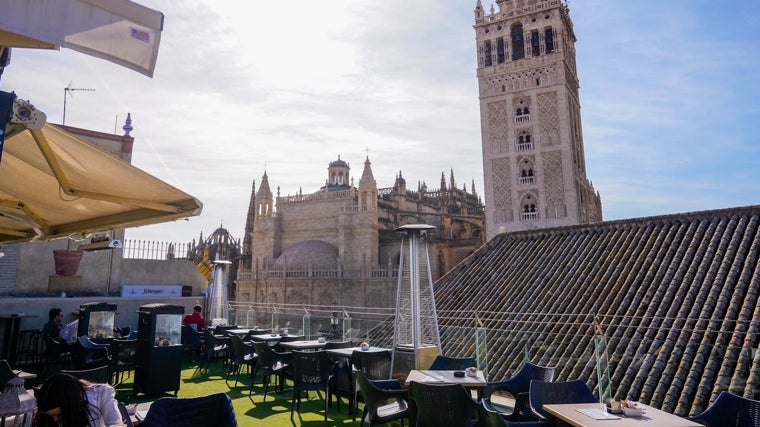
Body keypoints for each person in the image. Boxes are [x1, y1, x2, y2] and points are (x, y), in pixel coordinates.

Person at [34, 373, 123, 427]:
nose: (55, 420)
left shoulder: (102, 393)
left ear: (72, 405)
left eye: (59, 414)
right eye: (50, 416)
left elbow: (117, 424)